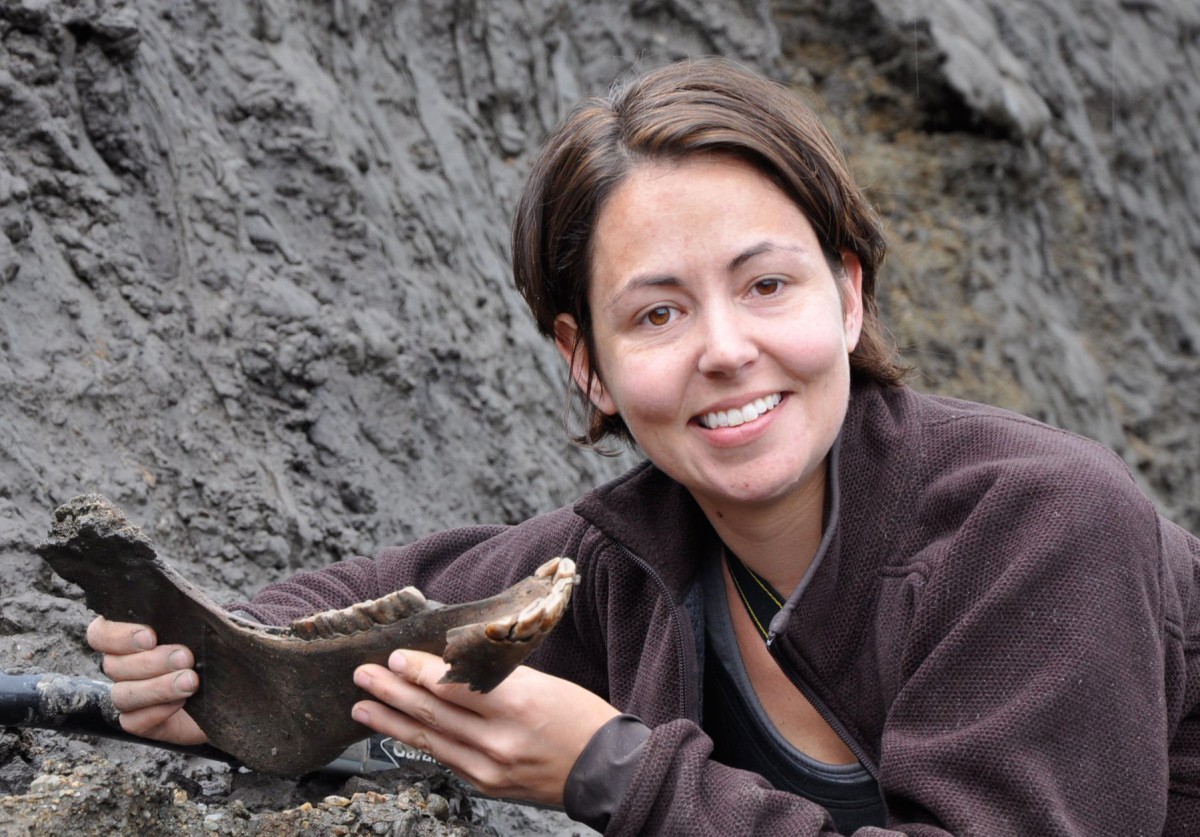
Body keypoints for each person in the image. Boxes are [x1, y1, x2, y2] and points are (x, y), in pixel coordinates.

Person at [86, 57, 1200, 835]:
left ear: (848, 296)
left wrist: (610, 770)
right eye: (658, 314)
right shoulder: (634, 559)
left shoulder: (1044, 527)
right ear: (587, 361)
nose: (726, 350)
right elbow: (375, 598)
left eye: (767, 285)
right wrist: (200, 667)